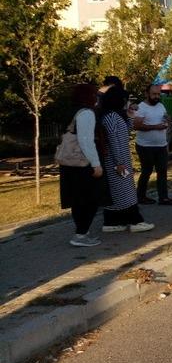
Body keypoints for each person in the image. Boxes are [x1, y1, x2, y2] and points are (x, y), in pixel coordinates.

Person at [99, 87, 155, 233]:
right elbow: (113, 140)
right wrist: (119, 162)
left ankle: (111, 222)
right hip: (116, 162)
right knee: (125, 193)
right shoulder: (110, 117)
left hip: (121, 160)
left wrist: (130, 114)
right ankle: (136, 221)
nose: (128, 102)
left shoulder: (116, 115)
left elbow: (128, 129)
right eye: (127, 100)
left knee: (120, 193)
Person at [59, 84, 104, 247]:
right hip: (82, 163)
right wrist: (96, 164)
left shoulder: (72, 111)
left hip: (70, 162)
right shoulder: (86, 113)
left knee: (77, 200)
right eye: (95, 94)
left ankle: (81, 231)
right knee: (89, 199)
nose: (97, 97)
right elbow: (86, 141)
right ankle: (81, 234)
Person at [133, 84, 172, 206]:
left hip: (161, 145)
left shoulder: (161, 105)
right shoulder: (141, 107)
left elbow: (164, 118)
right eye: (154, 94)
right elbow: (136, 126)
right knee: (146, 171)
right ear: (147, 94)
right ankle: (141, 197)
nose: (157, 96)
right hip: (145, 146)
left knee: (162, 172)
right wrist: (155, 127)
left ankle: (163, 198)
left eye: (158, 94)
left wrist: (167, 120)